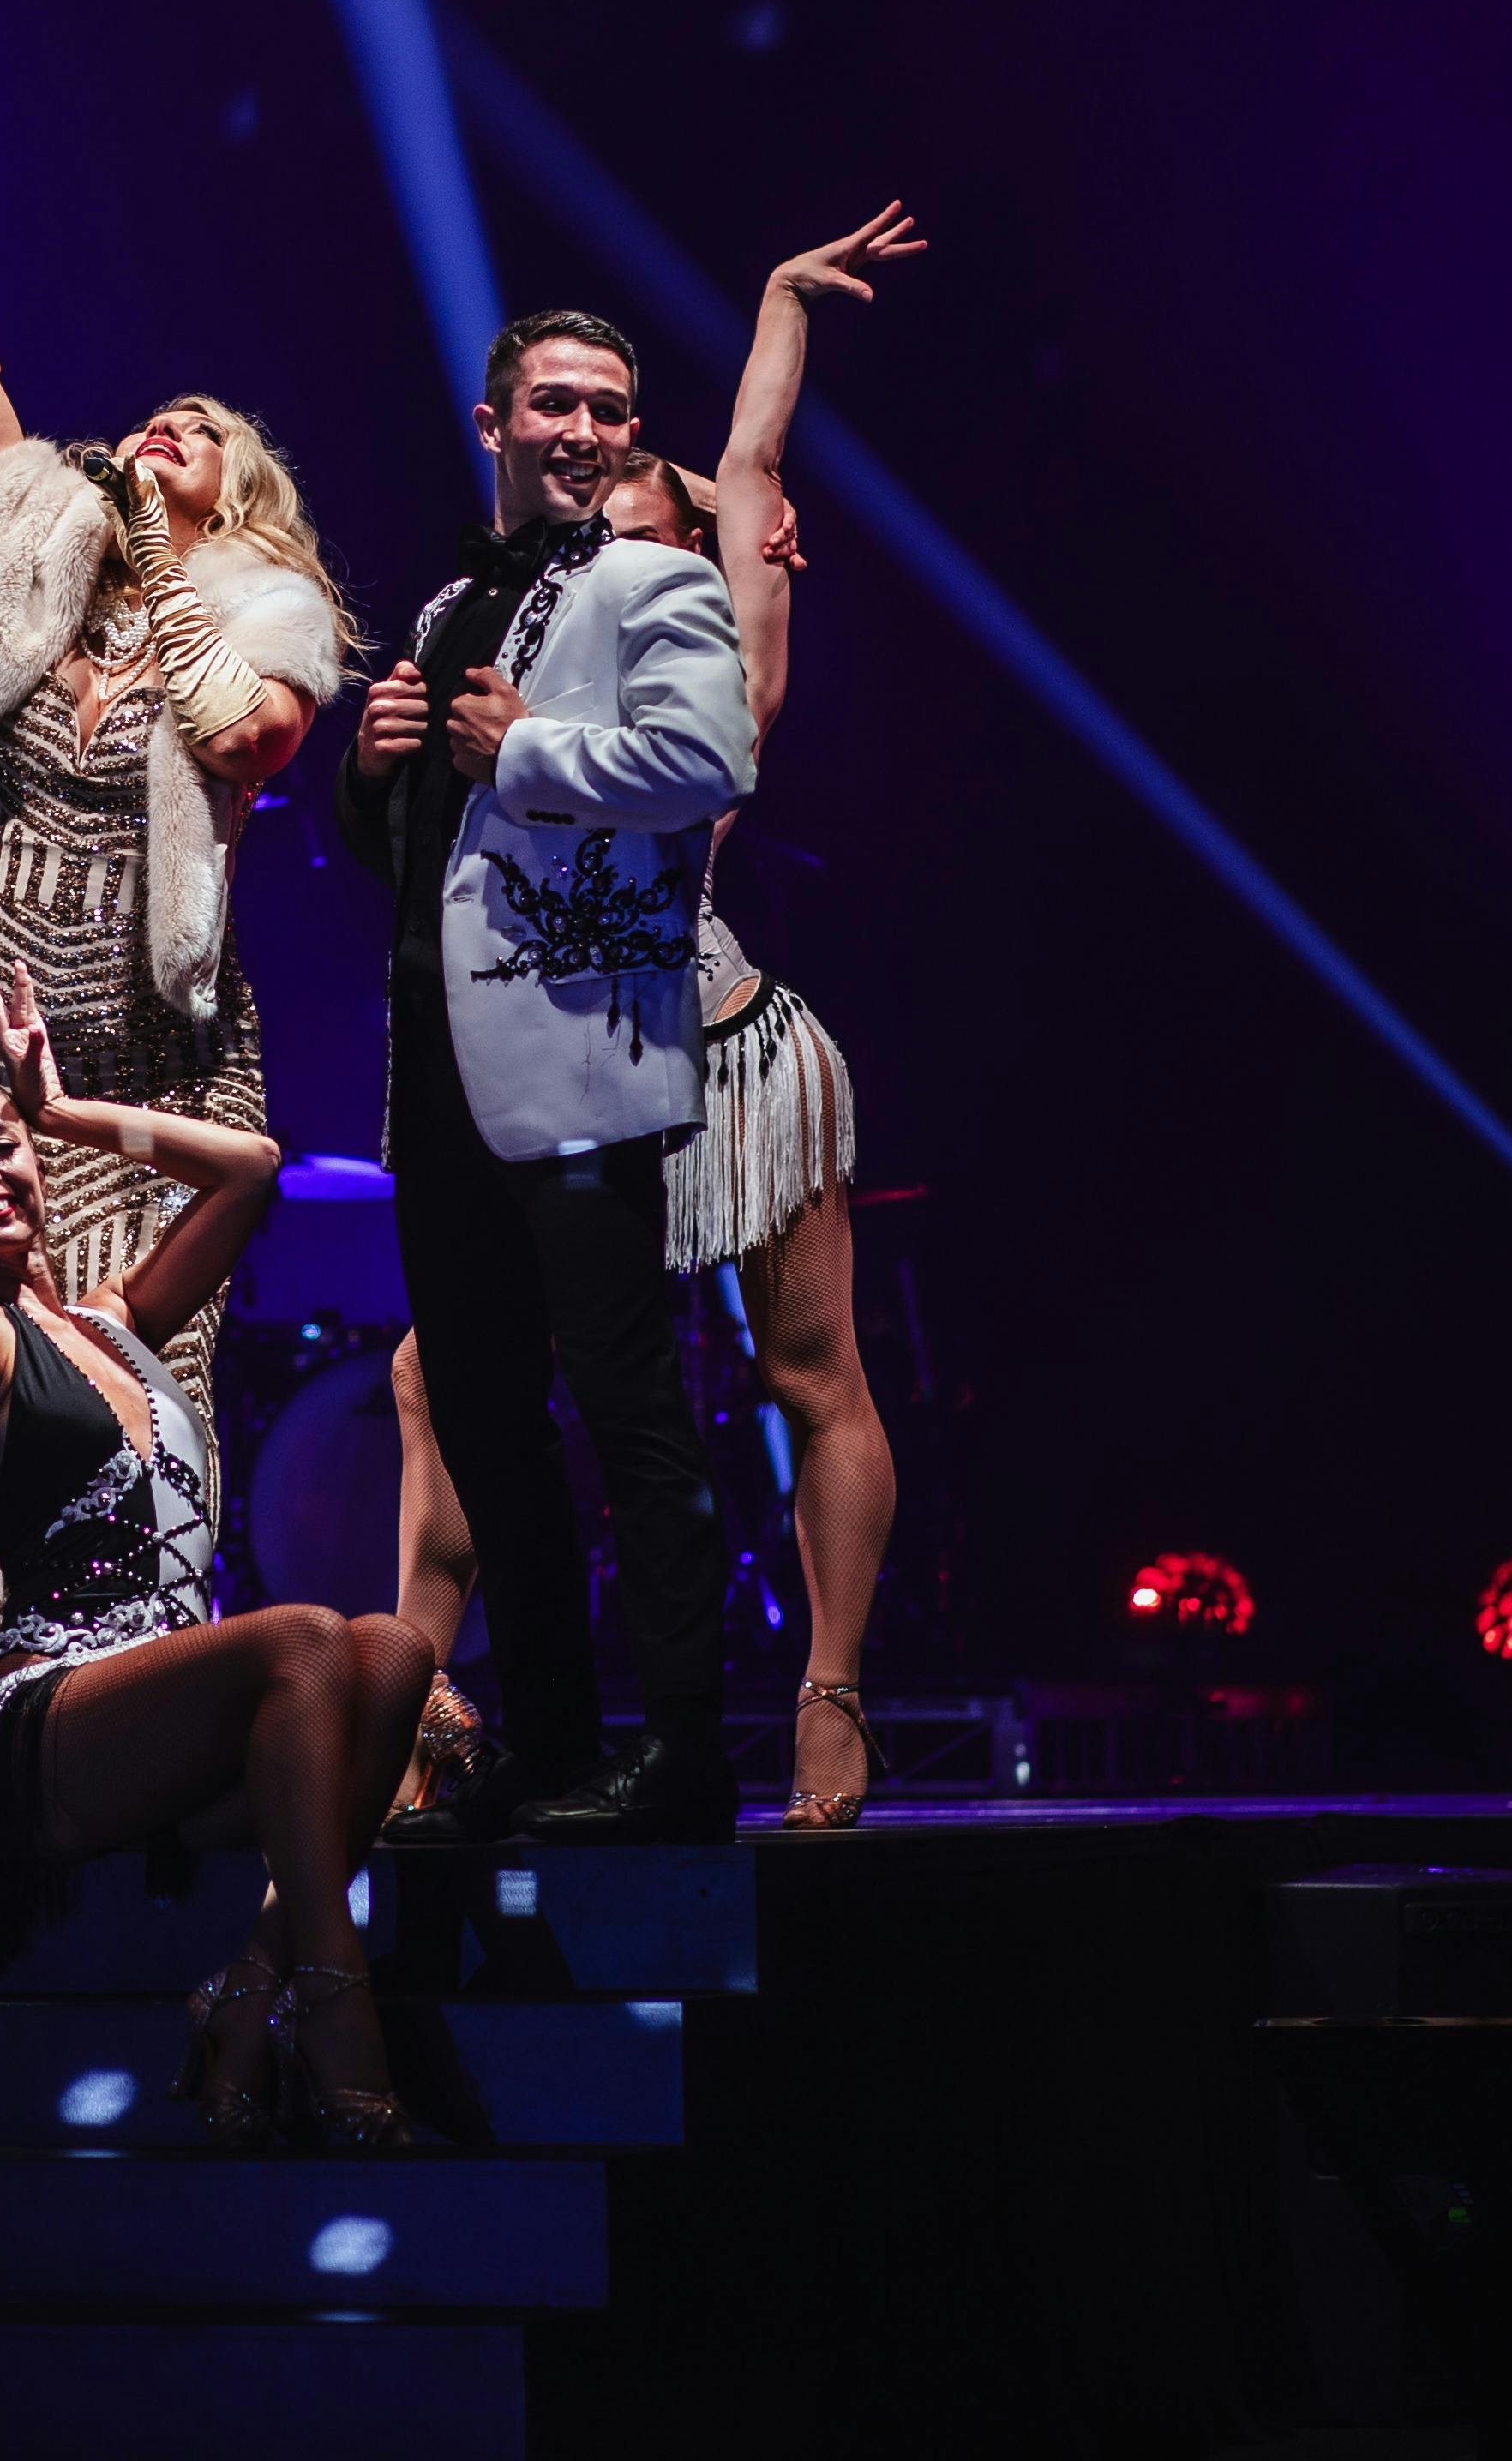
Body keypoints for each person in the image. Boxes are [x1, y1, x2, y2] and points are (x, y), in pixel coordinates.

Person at [387, 209, 925, 1833]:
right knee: (452, 1378)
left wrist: (772, 302)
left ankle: (825, 1690)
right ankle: (432, 1698)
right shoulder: (505, 608)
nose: (605, 481)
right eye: (566, 437)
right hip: (531, 1039)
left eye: (632, 460)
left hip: (710, 1025)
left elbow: (751, 453)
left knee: (796, 1370)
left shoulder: (702, 596)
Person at [0, 975, 437, 2149]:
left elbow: (252, 1167)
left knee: (399, 1650)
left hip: (173, 1720)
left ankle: (251, 1985)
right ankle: (336, 2011)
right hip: (50, 1725)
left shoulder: (114, 1321)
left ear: (42, 1176)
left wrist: (55, 1105)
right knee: (309, 1636)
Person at [0, 12, 348, 1424]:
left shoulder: (275, 618)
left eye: (197, 429)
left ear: (240, 496)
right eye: (151, 420)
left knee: (133, 1375)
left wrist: (168, 557)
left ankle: (137, 1640)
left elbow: (240, 737)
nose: (161, 427)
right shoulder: (46, 591)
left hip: (148, 1033)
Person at [339, 308, 759, 1846]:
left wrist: (527, 748)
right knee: (485, 1419)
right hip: (444, 1070)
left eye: (609, 408)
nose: (582, 429)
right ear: (492, 419)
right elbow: (407, 865)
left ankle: (688, 1749)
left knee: (627, 1406)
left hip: (585, 1048)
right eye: (554, 404)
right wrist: (373, 766)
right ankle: (555, 1740)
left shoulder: (656, 579)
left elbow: (709, 759)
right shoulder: (456, 594)